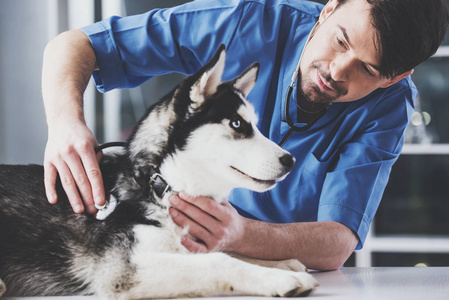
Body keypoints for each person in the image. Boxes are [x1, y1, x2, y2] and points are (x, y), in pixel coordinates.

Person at [42, 0, 448, 270]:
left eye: (368, 70)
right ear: (329, 9)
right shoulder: (245, 21)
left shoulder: (391, 106)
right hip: (156, 242)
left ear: (395, 78)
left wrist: (238, 234)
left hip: (266, 270)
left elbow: (338, 242)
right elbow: (75, 45)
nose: (337, 71)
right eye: (340, 41)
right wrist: (65, 122)